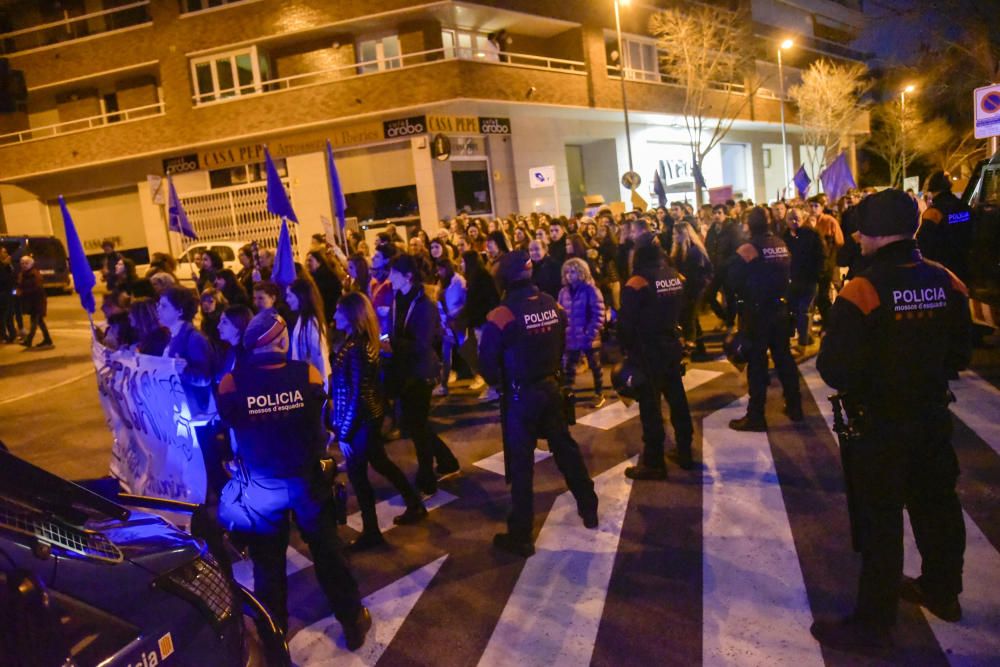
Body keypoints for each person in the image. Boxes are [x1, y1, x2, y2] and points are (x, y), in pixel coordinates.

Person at [811, 189, 972, 653]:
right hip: (931, 416)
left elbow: (834, 369)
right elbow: (961, 353)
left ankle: (874, 623)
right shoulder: (947, 280)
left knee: (881, 522)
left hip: (879, 425)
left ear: (878, 233)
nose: (857, 237)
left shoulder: (862, 290)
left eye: (862, 229)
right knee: (937, 506)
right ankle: (944, 592)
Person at [216, 311, 371, 649]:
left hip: (260, 489)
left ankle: (274, 636)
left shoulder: (231, 382)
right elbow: (320, 418)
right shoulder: (309, 375)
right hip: (307, 483)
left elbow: (226, 422)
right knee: (329, 553)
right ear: (282, 340)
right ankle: (352, 620)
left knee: (268, 566)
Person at [478, 251, 599, 557]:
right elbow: (560, 340)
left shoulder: (501, 314)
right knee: (565, 450)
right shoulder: (551, 303)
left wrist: (502, 381)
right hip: (551, 387)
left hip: (521, 396)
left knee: (521, 467)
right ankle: (589, 505)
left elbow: (486, 364)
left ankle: (521, 534)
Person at [330, 292, 428, 550]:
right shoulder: (358, 343)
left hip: (362, 422)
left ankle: (372, 532)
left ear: (351, 315)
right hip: (366, 420)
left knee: (359, 478)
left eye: (338, 311)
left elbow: (356, 396)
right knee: (381, 463)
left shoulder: (357, 348)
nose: (333, 316)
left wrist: (344, 433)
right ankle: (414, 503)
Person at [386, 254, 461, 495]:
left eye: (393, 273)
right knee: (416, 424)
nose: (389, 278)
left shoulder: (424, 304)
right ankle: (447, 461)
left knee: (417, 425)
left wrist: (393, 345)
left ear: (408, 276)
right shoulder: (398, 298)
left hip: (421, 371)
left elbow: (422, 343)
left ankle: (426, 477)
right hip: (403, 369)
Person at [618, 243, 695, 474]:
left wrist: (626, 349)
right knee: (677, 399)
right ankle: (685, 450)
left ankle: (654, 461)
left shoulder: (637, 282)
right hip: (670, 343)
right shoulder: (673, 276)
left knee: (650, 406)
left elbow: (626, 322)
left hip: (647, 350)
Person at [727, 207, 802, 431]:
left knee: (757, 364)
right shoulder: (780, 244)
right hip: (780, 308)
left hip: (758, 312)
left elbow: (733, 280)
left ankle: (756, 415)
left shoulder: (749, 248)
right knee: (784, 359)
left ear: (750, 225)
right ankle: (795, 406)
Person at [558, 258, 606, 408]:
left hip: (588, 337)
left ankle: (599, 392)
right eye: (567, 272)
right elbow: (561, 313)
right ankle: (567, 394)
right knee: (569, 367)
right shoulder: (563, 292)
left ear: (581, 272)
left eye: (573, 272)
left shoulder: (591, 290)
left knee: (595, 366)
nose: (569, 275)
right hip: (571, 336)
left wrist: (590, 333)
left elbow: (598, 313)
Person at [917, 171, 973, 284]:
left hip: (942, 270)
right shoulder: (964, 207)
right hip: (963, 264)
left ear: (931, 189)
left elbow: (923, 243)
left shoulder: (934, 212)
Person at [783, 206, 825, 349]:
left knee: (804, 310)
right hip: (791, 280)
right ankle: (800, 337)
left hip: (808, 278)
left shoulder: (812, 235)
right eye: (791, 218)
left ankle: (803, 340)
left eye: (797, 218)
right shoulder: (784, 237)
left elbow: (821, 255)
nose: (794, 221)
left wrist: (818, 275)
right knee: (792, 310)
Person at [671, 220, 713, 355]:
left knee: (689, 318)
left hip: (694, 288)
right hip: (688, 288)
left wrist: (683, 278)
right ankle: (700, 347)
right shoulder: (682, 250)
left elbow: (698, 273)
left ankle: (693, 345)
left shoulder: (694, 251)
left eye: (676, 234)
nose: (673, 237)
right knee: (692, 318)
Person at [285, 277, 331, 388]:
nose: (287, 300)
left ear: (301, 297)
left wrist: (322, 389)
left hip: (313, 385)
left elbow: (320, 358)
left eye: (290, 296)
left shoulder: (311, 324)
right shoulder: (302, 319)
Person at [434, 258, 467, 397]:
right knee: (446, 353)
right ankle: (444, 384)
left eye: (441, 269)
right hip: (445, 322)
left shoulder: (458, 281)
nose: (439, 272)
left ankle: (484, 376)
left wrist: (454, 315)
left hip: (456, 321)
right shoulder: (442, 282)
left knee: (465, 349)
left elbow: (463, 302)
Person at [16, 255, 52, 349]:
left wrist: (23, 291)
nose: (24, 265)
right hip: (32, 302)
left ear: (31, 263)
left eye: (26, 263)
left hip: (37, 302)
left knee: (34, 322)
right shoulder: (24, 274)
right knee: (40, 322)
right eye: (22, 263)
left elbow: (37, 288)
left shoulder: (34, 274)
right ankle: (47, 339)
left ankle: (29, 341)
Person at [215, 304, 253, 380]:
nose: (218, 326)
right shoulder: (232, 350)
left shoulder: (247, 355)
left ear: (238, 325)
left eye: (224, 322)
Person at [306, 251, 343, 325]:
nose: (307, 263)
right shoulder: (313, 277)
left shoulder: (326, 277)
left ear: (319, 262)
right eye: (306, 261)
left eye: (310, 260)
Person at [0, 247, 16, 343]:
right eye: (4, 252)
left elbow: (12, 277)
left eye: (6, 252)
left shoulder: (8, 265)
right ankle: (3, 336)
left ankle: (12, 334)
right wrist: (4, 265)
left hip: (9, 293)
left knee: (10, 314)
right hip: (2, 294)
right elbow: (3, 279)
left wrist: (8, 265)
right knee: (3, 316)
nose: (6, 254)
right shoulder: (2, 265)